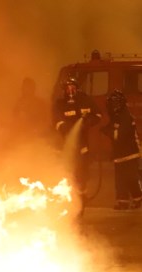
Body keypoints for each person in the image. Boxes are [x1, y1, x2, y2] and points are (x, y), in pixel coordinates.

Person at [52, 77, 102, 212]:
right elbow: (55, 120)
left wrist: (89, 122)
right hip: (67, 145)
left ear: (77, 88)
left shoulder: (85, 100)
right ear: (64, 90)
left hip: (83, 145)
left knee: (82, 172)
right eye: (68, 88)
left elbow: (98, 114)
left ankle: (81, 196)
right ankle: (69, 197)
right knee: (69, 171)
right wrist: (63, 127)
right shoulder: (60, 104)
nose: (71, 91)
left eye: (73, 87)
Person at [102, 90, 142, 210]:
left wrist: (107, 131)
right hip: (119, 153)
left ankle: (138, 197)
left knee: (131, 177)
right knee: (120, 179)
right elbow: (113, 128)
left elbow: (120, 135)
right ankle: (123, 201)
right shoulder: (116, 116)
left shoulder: (126, 116)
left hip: (130, 152)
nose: (112, 106)